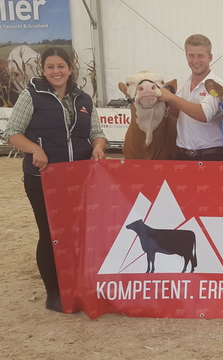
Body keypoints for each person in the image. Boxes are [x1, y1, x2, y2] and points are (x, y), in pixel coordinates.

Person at [4, 47, 107, 312]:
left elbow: (96, 131)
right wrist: (34, 149)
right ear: (43, 70)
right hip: (43, 178)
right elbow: (12, 133)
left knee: (80, 233)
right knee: (51, 233)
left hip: (80, 178)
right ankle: (54, 293)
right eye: (50, 67)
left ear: (70, 69)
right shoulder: (31, 96)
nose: (56, 71)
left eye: (61, 66)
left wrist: (98, 146)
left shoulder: (83, 98)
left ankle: (79, 284)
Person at [159, 34, 223, 161]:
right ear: (186, 56)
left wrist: (172, 98)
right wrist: (174, 109)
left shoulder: (218, 85)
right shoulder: (187, 82)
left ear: (210, 57)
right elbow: (187, 115)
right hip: (182, 153)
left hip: (210, 155)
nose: (195, 61)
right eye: (191, 55)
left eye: (200, 56)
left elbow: (204, 115)